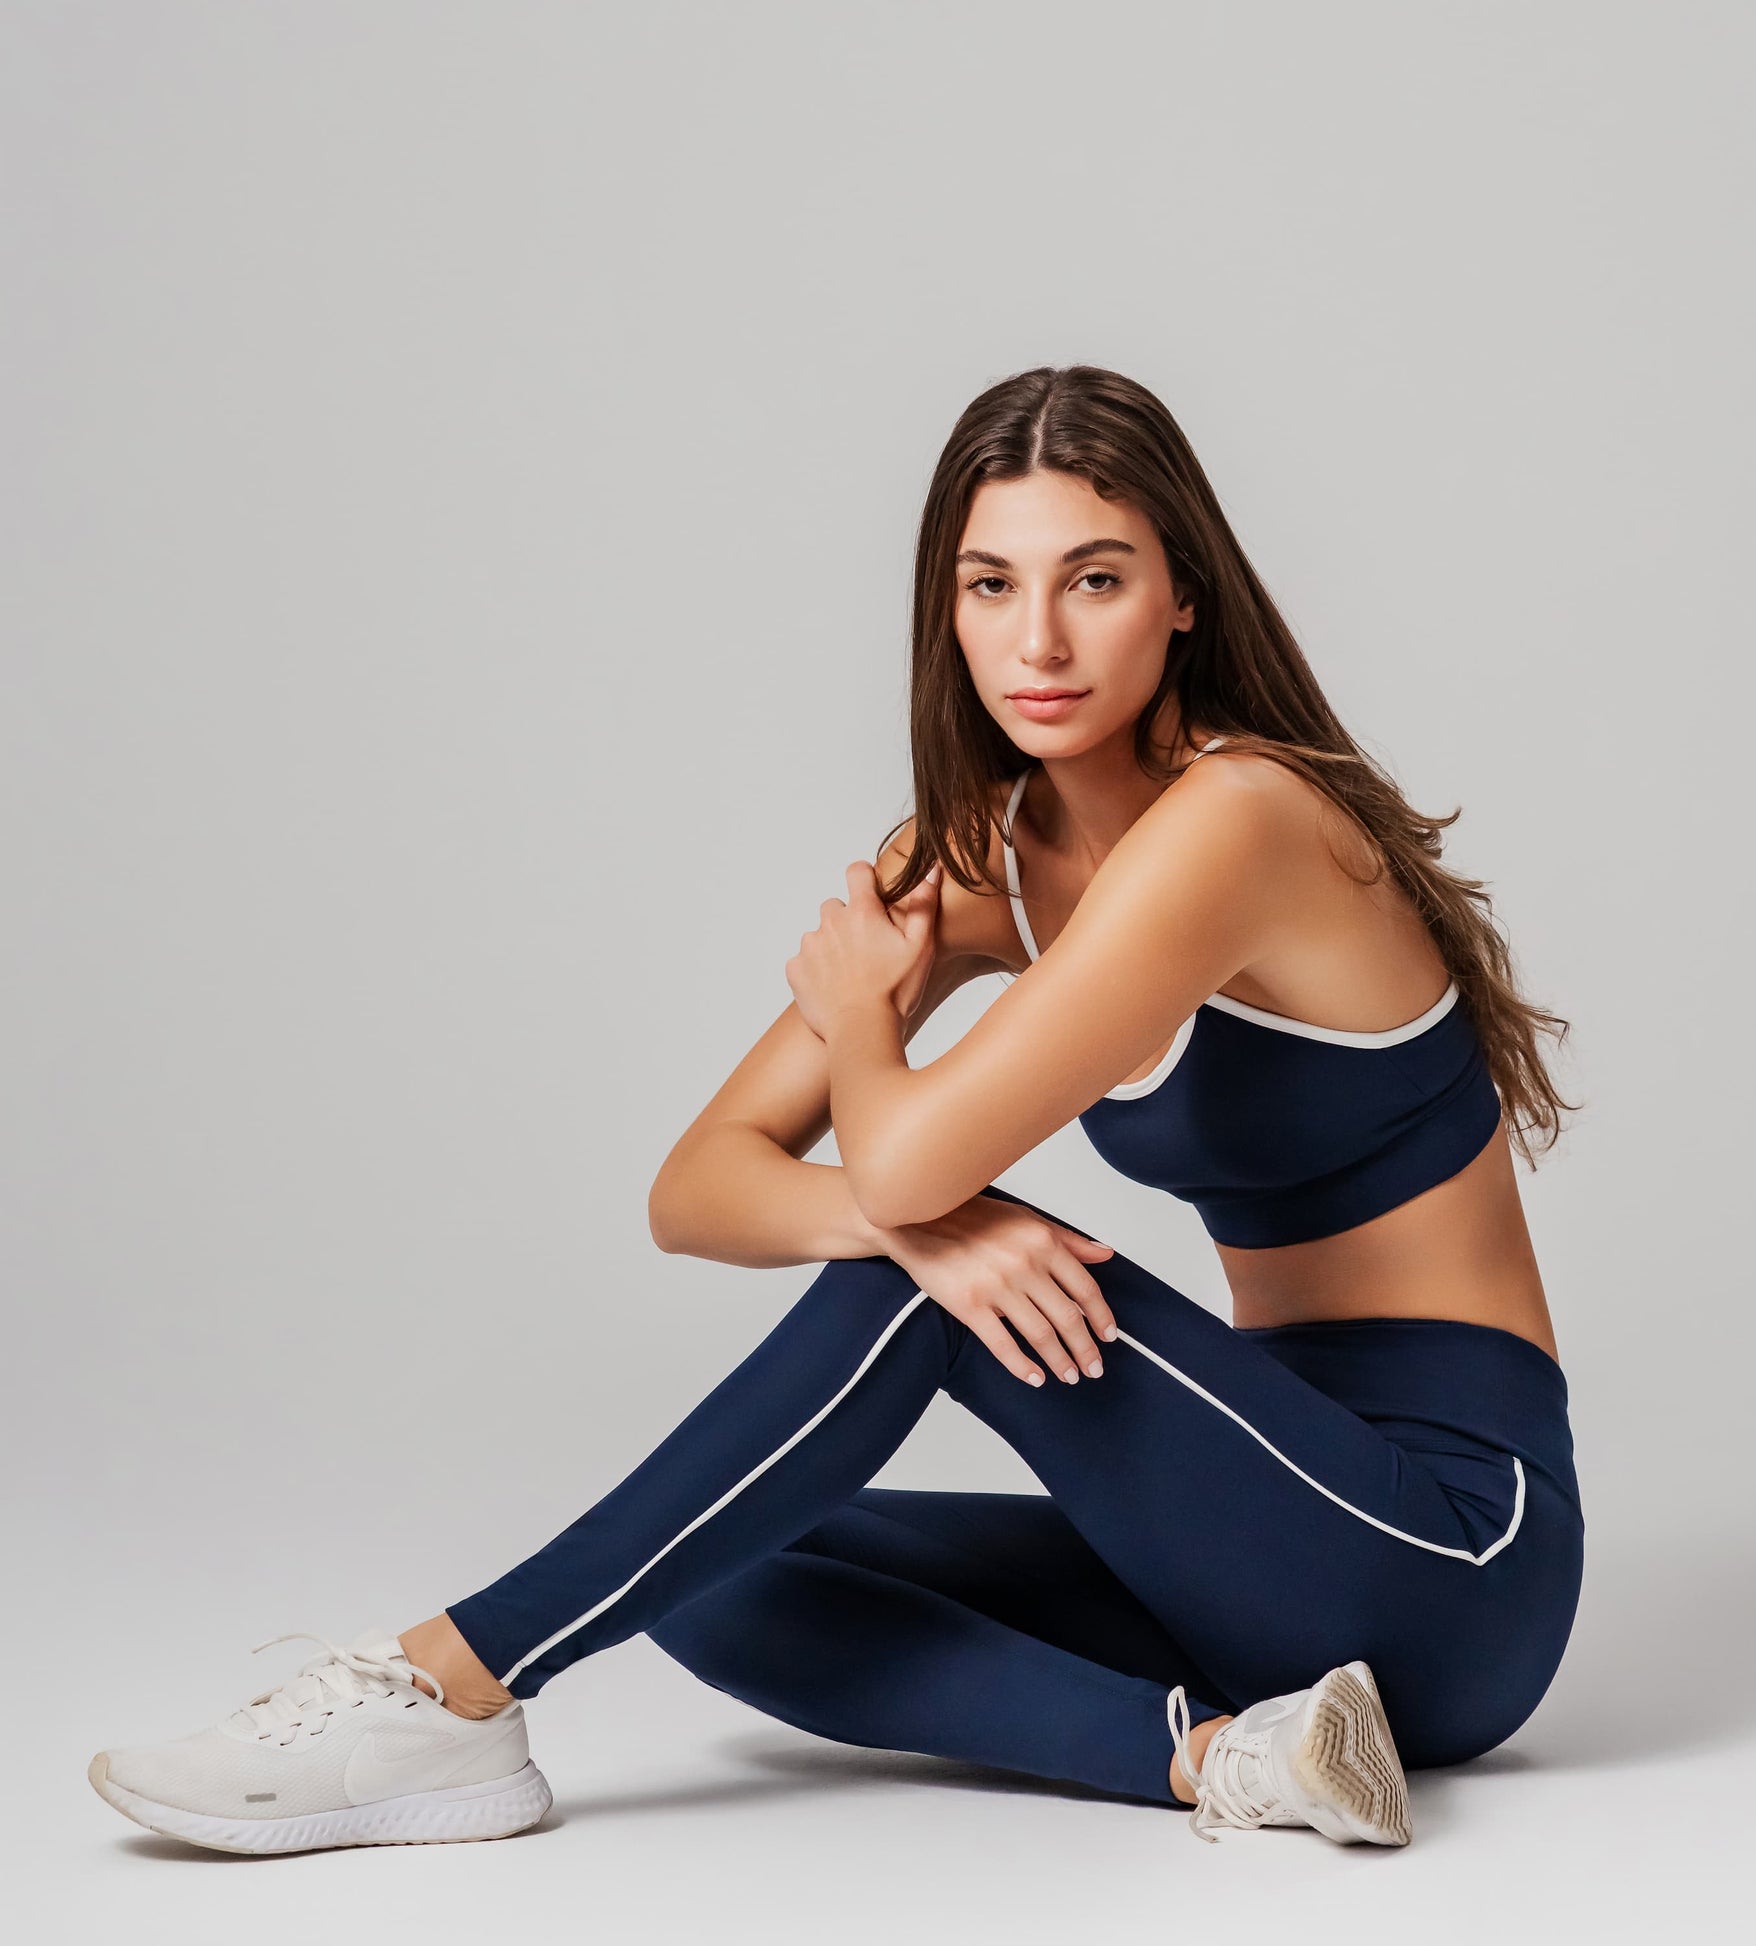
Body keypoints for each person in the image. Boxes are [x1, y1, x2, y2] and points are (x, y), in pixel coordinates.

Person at [88, 364, 1583, 1856]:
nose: (1037, 638)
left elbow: (914, 1157)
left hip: (1448, 1552)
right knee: (711, 1560)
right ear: (946, 604)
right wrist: (937, 1227)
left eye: (1096, 578)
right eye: (990, 584)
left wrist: (879, 1052)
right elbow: (698, 1186)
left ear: (1183, 595)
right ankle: (1225, 1759)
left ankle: (442, 1687)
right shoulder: (980, 850)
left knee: (913, 1265)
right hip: (1259, 1537)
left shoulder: (1242, 816)